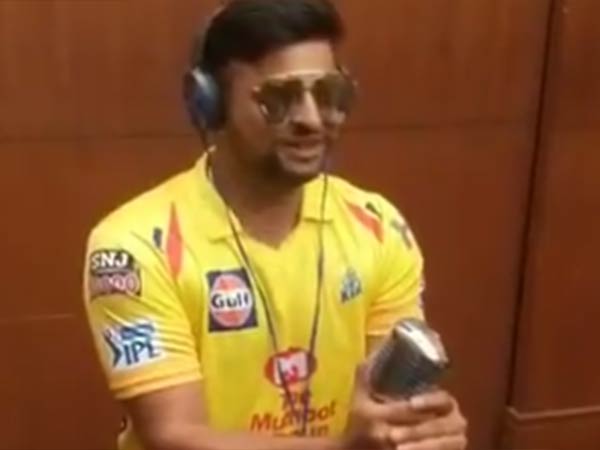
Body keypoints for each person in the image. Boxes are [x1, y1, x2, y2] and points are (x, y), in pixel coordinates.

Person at [82, 1, 468, 449]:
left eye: (328, 94)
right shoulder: (133, 248)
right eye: (278, 100)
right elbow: (173, 436)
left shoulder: (378, 226)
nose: (311, 119)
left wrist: (415, 430)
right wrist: (344, 448)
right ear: (208, 101)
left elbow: (387, 400)